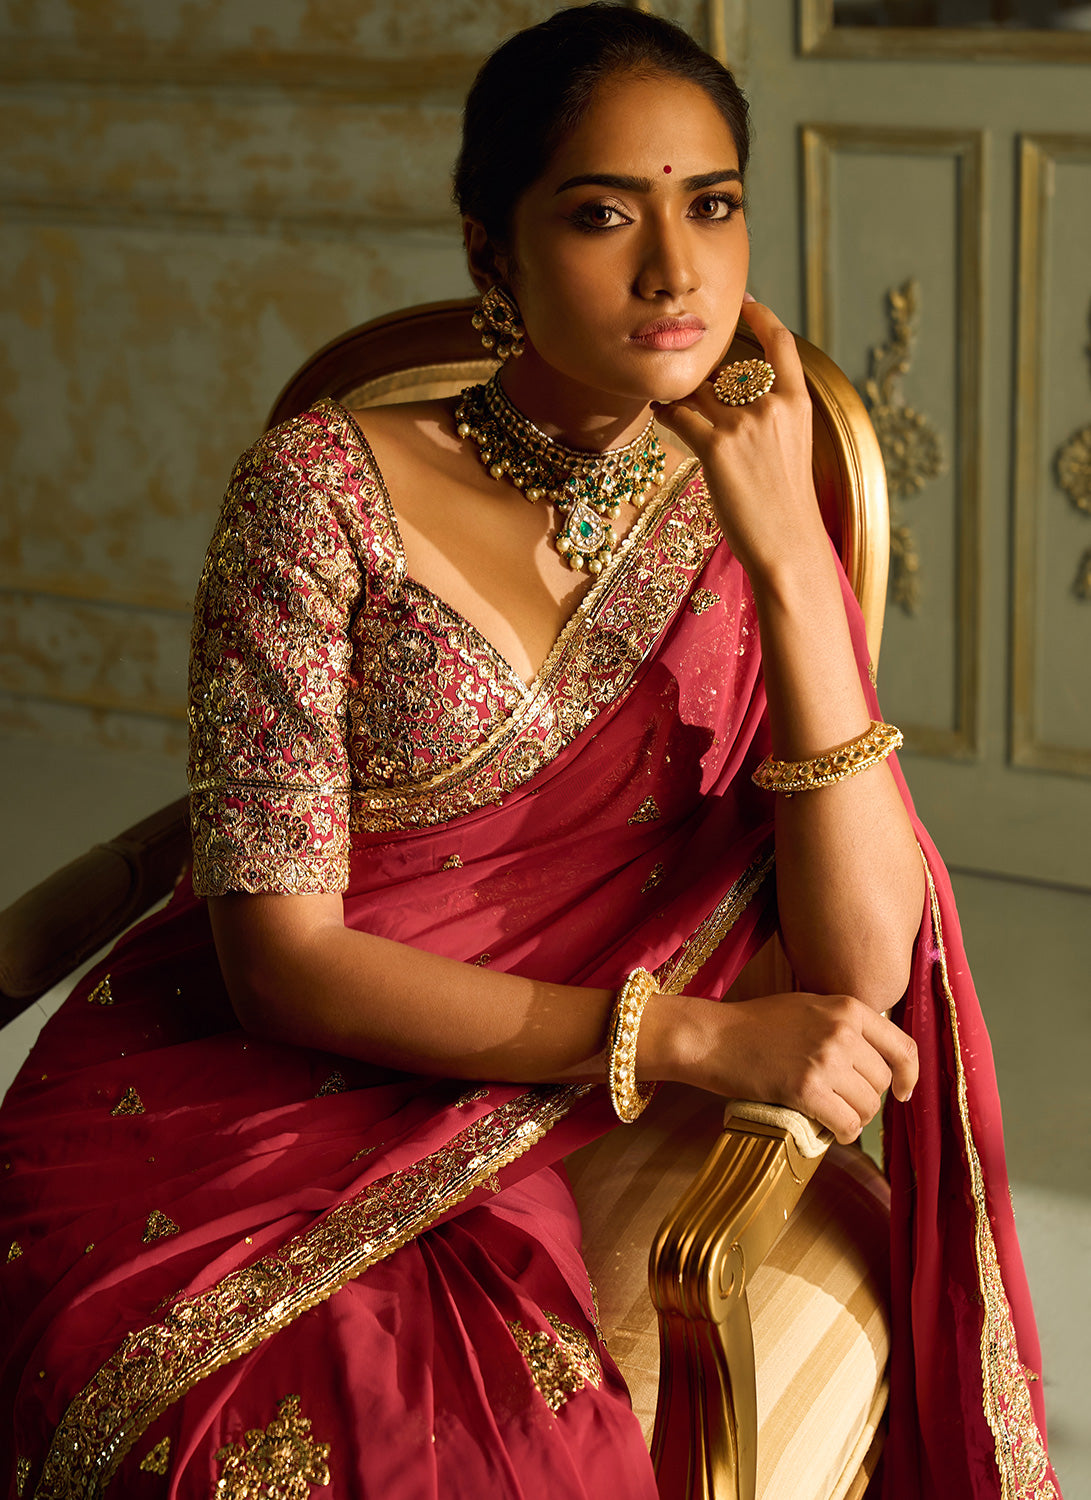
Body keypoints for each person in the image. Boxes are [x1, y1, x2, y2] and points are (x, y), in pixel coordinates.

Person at [0, 6, 1061, 1498]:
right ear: (490, 251)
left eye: (714, 205)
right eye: (601, 213)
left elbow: (865, 964)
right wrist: (682, 1037)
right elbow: (279, 962)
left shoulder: (740, 505)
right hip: (232, 1095)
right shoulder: (320, 493)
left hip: (526, 1105)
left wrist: (791, 565)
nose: (674, 271)